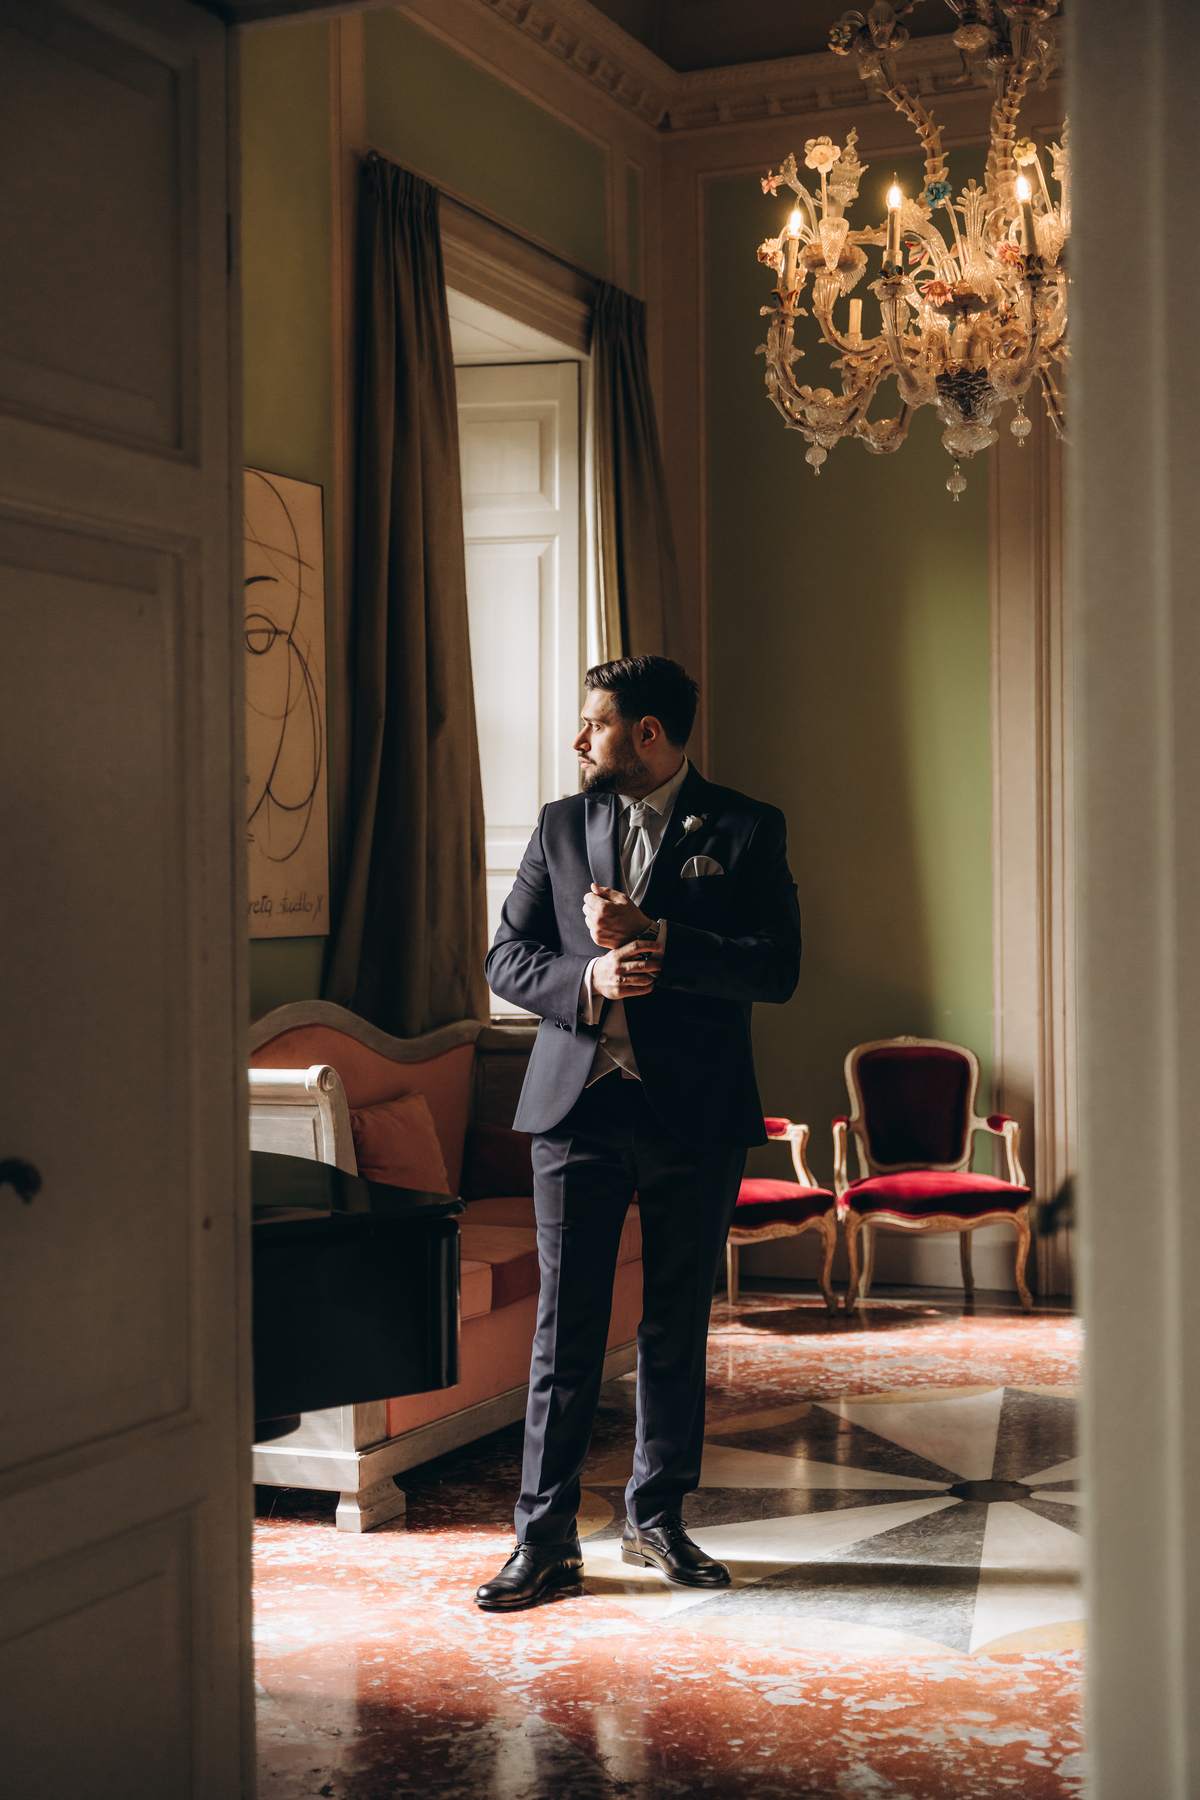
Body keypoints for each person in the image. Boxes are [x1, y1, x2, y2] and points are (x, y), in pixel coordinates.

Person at [475, 655, 801, 1611]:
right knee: (564, 1330)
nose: (580, 739)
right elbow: (506, 956)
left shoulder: (746, 827)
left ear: (647, 732)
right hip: (575, 1110)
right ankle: (543, 1540)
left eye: (596, 722)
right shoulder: (558, 825)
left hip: (693, 1115)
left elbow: (777, 968)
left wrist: (656, 937)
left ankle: (656, 1519)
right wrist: (588, 979)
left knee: (675, 1324)